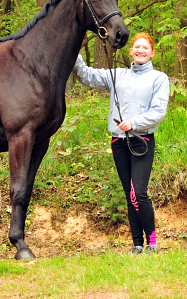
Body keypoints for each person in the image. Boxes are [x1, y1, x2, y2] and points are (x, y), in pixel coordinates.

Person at [73, 32, 170, 254]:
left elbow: (158, 112)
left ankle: (152, 242)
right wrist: (74, 49)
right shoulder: (118, 75)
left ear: (152, 53)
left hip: (141, 140)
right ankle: (137, 244)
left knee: (139, 192)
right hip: (119, 142)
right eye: (137, 47)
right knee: (129, 195)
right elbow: (87, 76)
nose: (140, 50)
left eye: (145, 48)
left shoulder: (159, 78)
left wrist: (133, 122)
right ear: (131, 51)